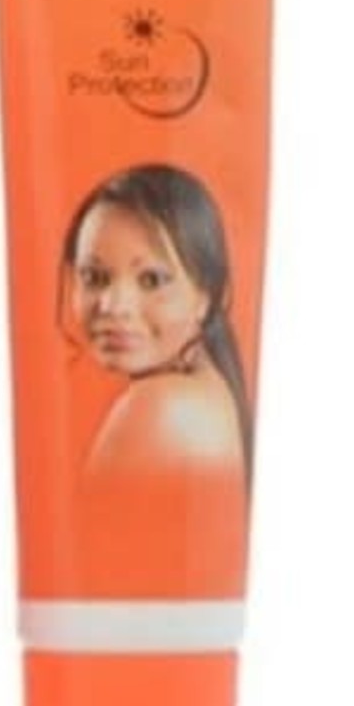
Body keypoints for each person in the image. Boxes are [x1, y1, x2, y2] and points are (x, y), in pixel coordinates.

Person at [62, 165, 252, 588]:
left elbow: (91, 584)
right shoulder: (212, 392)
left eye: (151, 280)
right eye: (94, 277)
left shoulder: (158, 408)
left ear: (208, 295)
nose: (113, 305)